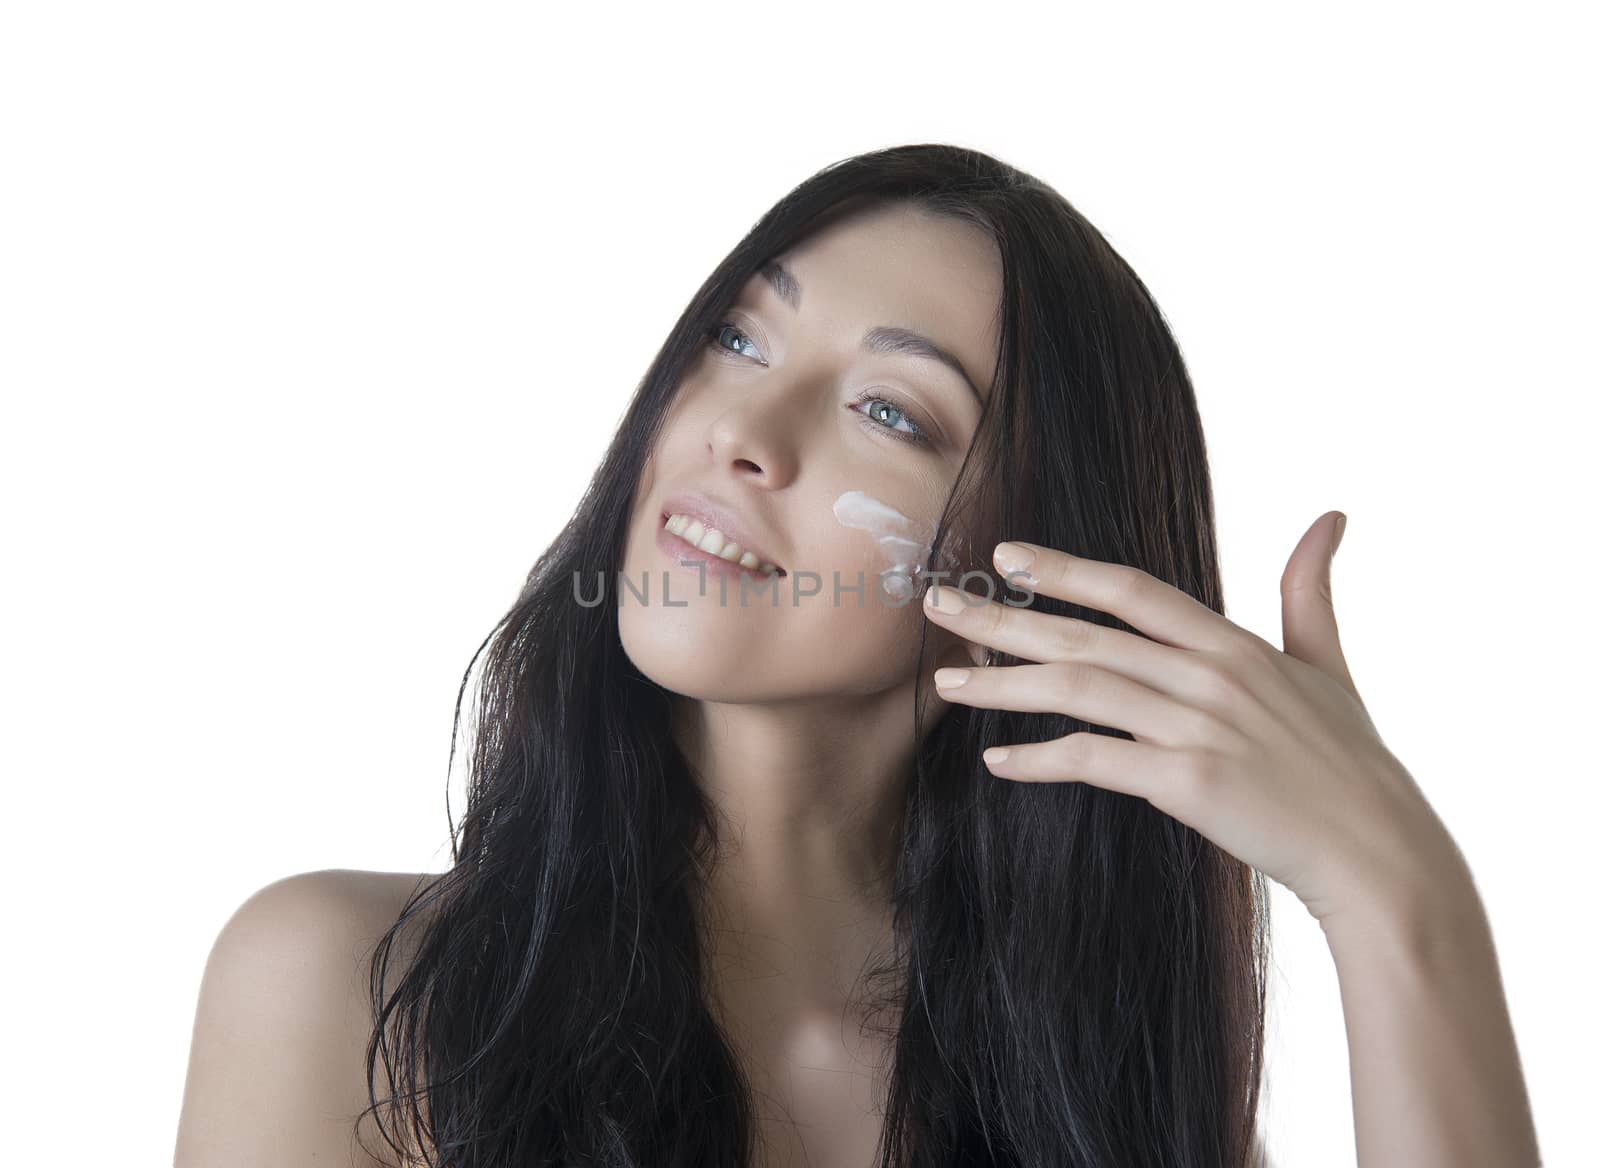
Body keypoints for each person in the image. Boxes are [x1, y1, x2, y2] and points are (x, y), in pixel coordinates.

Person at [173, 143, 1540, 1167]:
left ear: (1030, 556)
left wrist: (1392, 890)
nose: (742, 425)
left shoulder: (1097, 1087)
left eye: (889, 409)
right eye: (736, 334)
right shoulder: (344, 990)